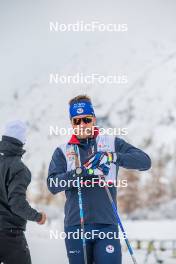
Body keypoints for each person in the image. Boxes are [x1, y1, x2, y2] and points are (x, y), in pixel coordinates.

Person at [47, 95, 151, 264]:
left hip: (106, 226)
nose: (82, 125)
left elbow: (145, 161)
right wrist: (80, 172)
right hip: (76, 228)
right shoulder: (63, 151)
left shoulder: (110, 143)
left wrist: (111, 157)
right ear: (71, 123)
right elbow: (52, 185)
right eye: (76, 121)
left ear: (94, 119)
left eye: (86, 119)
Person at [0, 120, 47, 264]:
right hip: (9, 235)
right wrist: (38, 216)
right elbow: (16, 204)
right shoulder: (19, 169)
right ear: (22, 141)